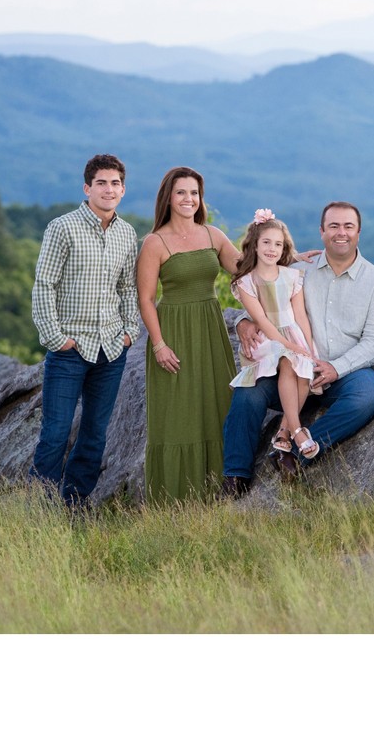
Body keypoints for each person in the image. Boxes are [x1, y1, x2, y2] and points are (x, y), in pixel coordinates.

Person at [221, 201, 374, 492]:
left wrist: (336, 368)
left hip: (342, 373)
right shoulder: (299, 270)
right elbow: (262, 299)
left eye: (348, 226)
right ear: (322, 231)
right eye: (333, 226)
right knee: (247, 392)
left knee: (369, 394)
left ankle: (293, 453)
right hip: (289, 369)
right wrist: (243, 322)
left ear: (359, 232)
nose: (341, 233)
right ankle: (235, 478)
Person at [29, 153, 139, 508]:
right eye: (101, 183)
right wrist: (55, 338)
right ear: (87, 188)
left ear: (123, 190)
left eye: (115, 183)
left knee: (94, 435)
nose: (109, 189)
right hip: (70, 350)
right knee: (56, 433)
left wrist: (130, 332)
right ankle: (38, 509)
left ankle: (74, 505)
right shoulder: (62, 227)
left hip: (111, 349)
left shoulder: (127, 234)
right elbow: (44, 284)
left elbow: (128, 288)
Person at [137, 166, 240, 504]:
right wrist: (159, 345)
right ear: (168, 197)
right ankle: (175, 501)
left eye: (194, 193)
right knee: (177, 416)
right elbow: (146, 299)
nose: (189, 199)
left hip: (210, 331)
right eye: (181, 192)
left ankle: (218, 492)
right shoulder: (155, 242)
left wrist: (289, 255)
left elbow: (248, 268)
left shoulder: (213, 235)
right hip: (174, 332)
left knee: (217, 406)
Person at [229, 209, 320, 459]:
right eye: (266, 242)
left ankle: (283, 432)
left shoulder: (292, 276)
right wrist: (288, 346)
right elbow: (261, 321)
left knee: (304, 369)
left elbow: (300, 316)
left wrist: (308, 347)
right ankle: (297, 431)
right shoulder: (246, 282)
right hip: (267, 338)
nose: (272, 249)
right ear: (255, 245)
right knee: (288, 360)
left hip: (292, 333)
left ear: (284, 248)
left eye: (278, 244)